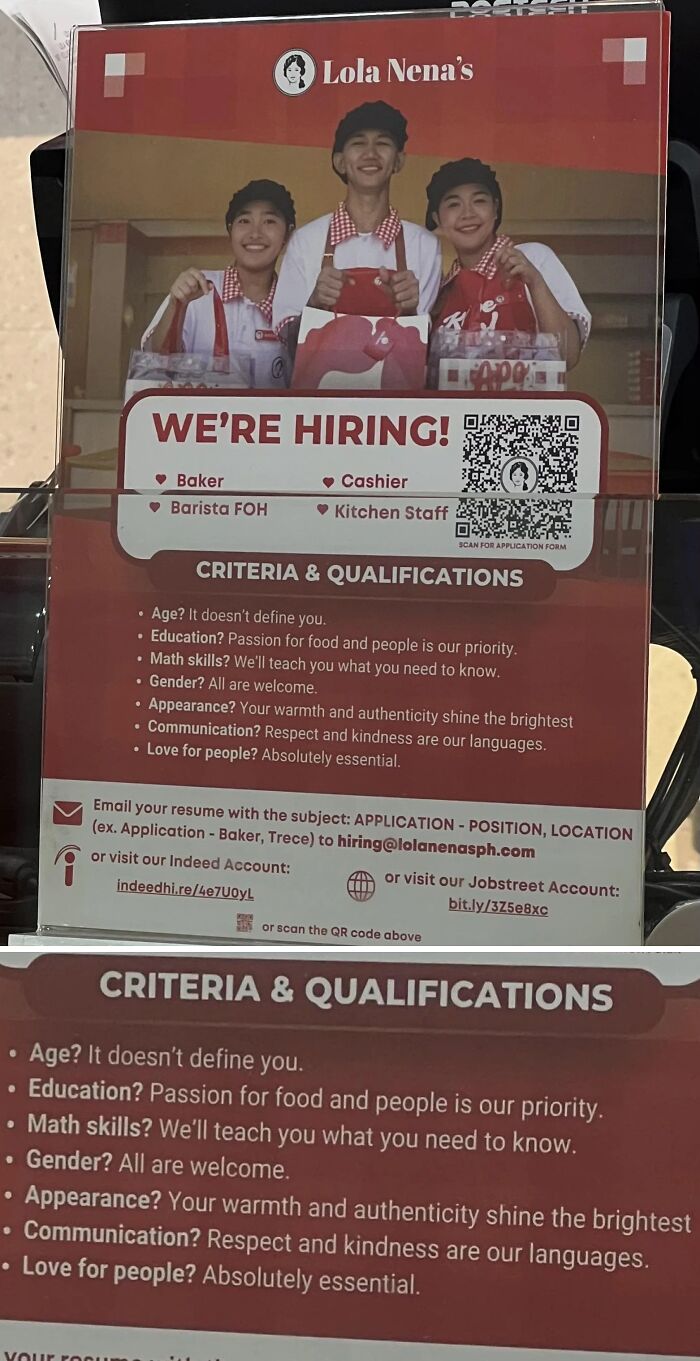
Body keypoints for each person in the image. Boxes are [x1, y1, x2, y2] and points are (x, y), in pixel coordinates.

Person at [273, 101, 442, 335]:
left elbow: (422, 346)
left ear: (399, 161)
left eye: (382, 143)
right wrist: (314, 303)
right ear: (340, 162)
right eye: (358, 143)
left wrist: (410, 312)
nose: (370, 154)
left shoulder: (425, 245)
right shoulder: (305, 241)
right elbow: (285, 336)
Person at [425, 158, 591, 370]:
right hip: (458, 405)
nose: (468, 214)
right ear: (438, 219)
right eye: (453, 204)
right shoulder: (440, 291)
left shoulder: (533, 258)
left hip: (523, 404)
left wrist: (535, 282)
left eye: (479, 201)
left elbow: (567, 356)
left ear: (495, 209)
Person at [142, 179, 296, 388]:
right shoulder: (196, 288)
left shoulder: (296, 303)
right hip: (199, 421)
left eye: (269, 221)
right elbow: (154, 361)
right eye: (244, 221)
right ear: (230, 230)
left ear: (288, 233)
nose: (255, 233)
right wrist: (176, 306)